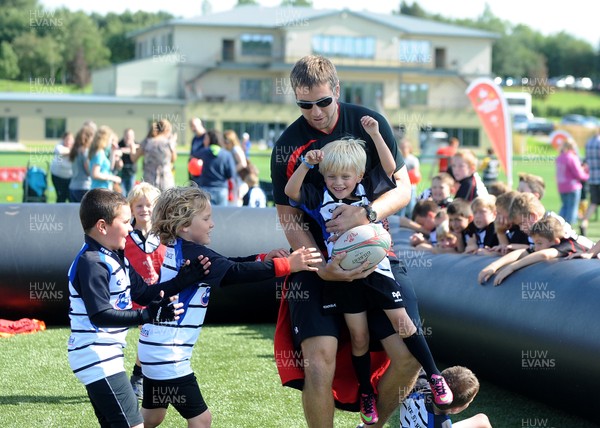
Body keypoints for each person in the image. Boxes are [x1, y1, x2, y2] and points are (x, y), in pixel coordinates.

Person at [270, 54, 424, 428]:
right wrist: (320, 266)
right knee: (318, 362)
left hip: (374, 250)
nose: (316, 112)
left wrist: (366, 214)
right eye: (305, 105)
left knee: (409, 356)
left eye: (323, 102)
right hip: (317, 261)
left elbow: (404, 188)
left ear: (336, 90)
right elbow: (288, 216)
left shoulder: (369, 122)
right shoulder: (287, 145)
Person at [285, 132, 453, 424]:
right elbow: (290, 191)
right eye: (332, 176)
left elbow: (392, 171)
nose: (338, 183)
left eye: (345, 176)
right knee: (359, 338)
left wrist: (376, 133)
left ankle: (435, 375)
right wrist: (306, 165)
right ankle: (366, 393)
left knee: (404, 322)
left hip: (377, 271)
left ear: (359, 175)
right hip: (344, 277)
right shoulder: (318, 196)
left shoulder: (368, 193)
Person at [138, 186, 322, 428]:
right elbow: (233, 273)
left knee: (152, 416)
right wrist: (287, 265)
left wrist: (261, 259)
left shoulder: (180, 247)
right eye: (205, 218)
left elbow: (225, 264)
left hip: (152, 349)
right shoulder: (195, 255)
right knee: (202, 420)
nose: (212, 223)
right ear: (183, 225)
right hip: (168, 355)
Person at [67, 188, 209, 428]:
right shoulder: (91, 262)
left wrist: (184, 279)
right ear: (102, 227)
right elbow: (100, 315)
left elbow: (144, 293)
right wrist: (148, 315)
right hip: (96, 358)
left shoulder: (115, 254)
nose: (131, 227)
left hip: (102, 357)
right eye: (124, 222)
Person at [123, 182, 167, 400]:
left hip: (158, 295)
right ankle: (137, 376)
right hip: (133, 295)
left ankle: (143, 375)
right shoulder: (125, 238)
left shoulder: (164, 237)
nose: (144, 210)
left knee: (154, 337)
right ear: (131, 209)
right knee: (147, 333)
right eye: (139, 205)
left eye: (149, 205)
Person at [478, 216, 588, 285]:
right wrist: (493, 266)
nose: (536, 247)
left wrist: (511, 268)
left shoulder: (568, 244)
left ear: (555, 241)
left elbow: (544, 255)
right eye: (535, 243)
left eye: (539, 243)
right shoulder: (543, 245)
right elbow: (521, 252)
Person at [397, 366, 492, 428]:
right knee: (482, 419)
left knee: (481, 419)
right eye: (469, 402)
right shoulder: (442, 424)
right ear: (455, 409)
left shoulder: (417, 388)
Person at [508, 191, 594, 250]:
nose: (521, 228)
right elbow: (533, 248)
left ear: (533, 217)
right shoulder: (536, 229)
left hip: (587, 250)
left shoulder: (550, 223)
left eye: (521, 223)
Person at [191, 129, 237, 206]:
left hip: (205, 189)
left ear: (210, 139)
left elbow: (192, 161)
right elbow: (231, 174)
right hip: (221, 189)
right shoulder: (226, 154)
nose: (203, 141)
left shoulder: (202, 152)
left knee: (206, 216)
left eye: (205, 138)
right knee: (222, 216)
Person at [130, 119, 177, 191]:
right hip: (166, 180)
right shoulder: (168, 143)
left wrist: (132, 147)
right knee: (167, 201)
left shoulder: (147, 142)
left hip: (149, 179)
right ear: (167, 130)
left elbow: (134, 158)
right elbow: (173, 159)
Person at [556, 139, 589, 226]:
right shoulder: (572, 157)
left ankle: (557, 225)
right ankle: (568, 228)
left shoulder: (560, 157)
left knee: (565, 207)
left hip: (561, 186)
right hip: (572, 186)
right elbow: (578, 174)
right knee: (572, 209)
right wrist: (587, 175)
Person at [88, 125, 122, 190]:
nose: (111, 142)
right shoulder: (99, 153)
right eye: (111, 140)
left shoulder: (102, 152)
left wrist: (113, 151)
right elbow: (95, 174)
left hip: (103, 188)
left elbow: (110, 168)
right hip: (99, 190)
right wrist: (112, 178)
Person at [580, 129, 600, 236]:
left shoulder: (589, 143)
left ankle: (584, 222)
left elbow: (586, 160)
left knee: (593, 203)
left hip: (592, 178)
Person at [68, 124, 95, 202]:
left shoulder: (75, 150)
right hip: (83, 187)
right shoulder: (85, 152)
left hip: (73, 186)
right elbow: (88, 171)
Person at [223, 129, 248, 206]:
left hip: (238, 180)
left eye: (226, 141)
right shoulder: (231, 149)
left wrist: (231, 171)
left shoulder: (235, 149)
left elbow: (243, 163)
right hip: (234, 180)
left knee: (236, 202)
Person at [398, 138, 421, 219]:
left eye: (405, 147)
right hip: (401, 186)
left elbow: (416, 173)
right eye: (402, 147)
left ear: (409, 148)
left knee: (411, 206)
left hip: (411, 187)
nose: (404, 149)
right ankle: (400, 222)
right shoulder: (398, 159)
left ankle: (412, 221)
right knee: (400, 207)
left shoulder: (413, 159)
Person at [50, 131, 74, 202]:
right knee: (61, 197)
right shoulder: (59, 146)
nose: (69, 142)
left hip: (70, 177)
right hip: (58, 176)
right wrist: (73, 152)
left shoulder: (75, 147)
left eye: (71, 140)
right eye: (67, 139)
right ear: (63, 139)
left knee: (71, 197)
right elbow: (60, 152)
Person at [118, 128, 138, 197]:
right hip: (122, 173)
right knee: (122, 193)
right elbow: (118, 150)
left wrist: (127, 149)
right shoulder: (120, 144)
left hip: (131, 172)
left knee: (131, 192)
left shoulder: (136, 144)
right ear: (124, 136)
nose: (128, 138)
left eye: (130, 136)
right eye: (127, 136)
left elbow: (139, 147)